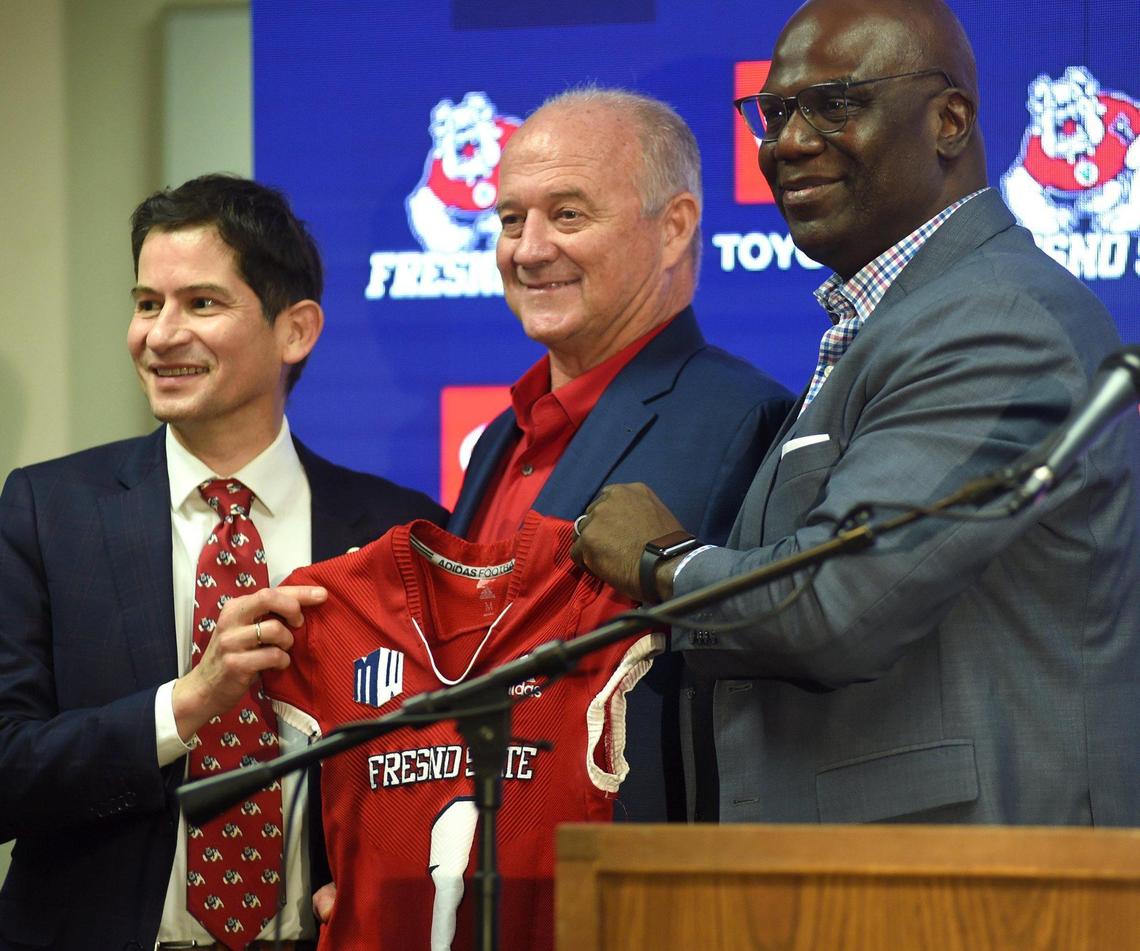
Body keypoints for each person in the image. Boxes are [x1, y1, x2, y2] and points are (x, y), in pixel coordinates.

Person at [574, 0, 1140, 826]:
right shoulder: (896, 319)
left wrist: (667, 561)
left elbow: (838, 605)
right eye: (773, 112)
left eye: (836, 104)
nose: (788, 142)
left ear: (949, 120)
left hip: (971, 889)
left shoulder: (998, 318)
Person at [0, 174, 445, 949]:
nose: (160, 334)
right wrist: (186, 704)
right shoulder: (48, 511)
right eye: (147, 303)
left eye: (201, 303)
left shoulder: (396, 531)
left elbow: (436, 767)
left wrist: (386, 871)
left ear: (296, 330)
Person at [447, 87, 794, 822]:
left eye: (568, 214)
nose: (529, 249)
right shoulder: (502, 437)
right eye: (511, 219)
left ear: (674, 228)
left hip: (636, 889)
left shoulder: (744, 419)